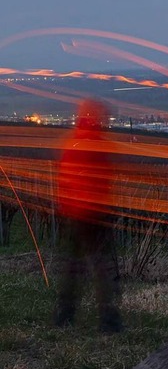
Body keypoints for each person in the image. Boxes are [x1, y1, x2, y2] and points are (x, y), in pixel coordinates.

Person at [53, 99, 123, 333]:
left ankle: (65, 315)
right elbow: (97, 178)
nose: (106, 120)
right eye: (102, 116)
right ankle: (109, 321)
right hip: (92, 212)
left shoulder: (74, 141)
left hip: (75, 212)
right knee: (101, 266)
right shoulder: (92, 143)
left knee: (75, 267)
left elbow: (66, 176)